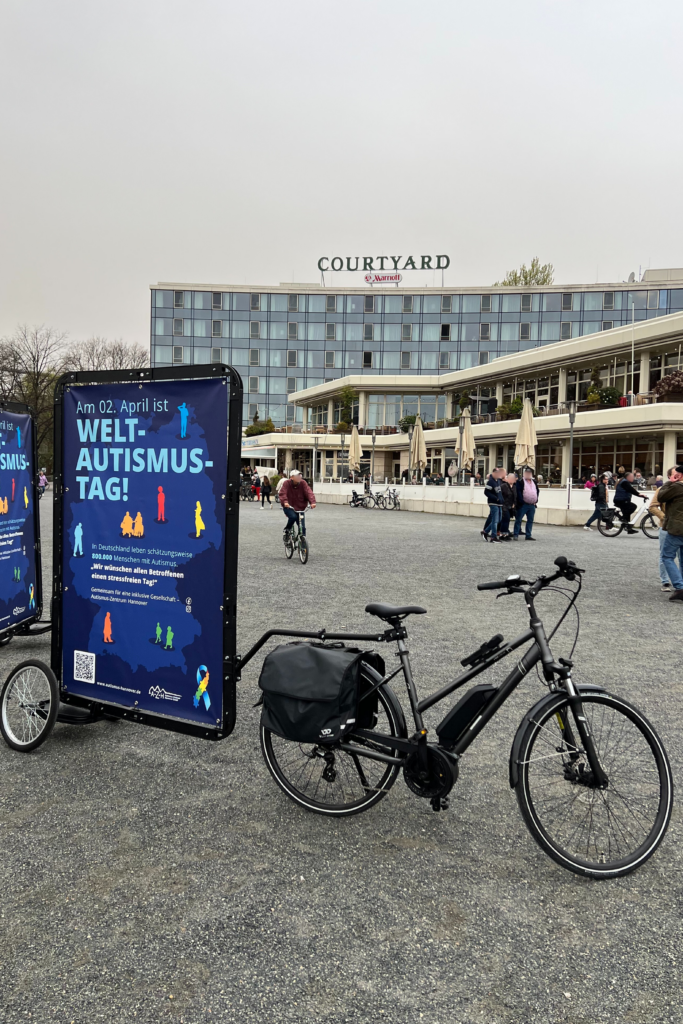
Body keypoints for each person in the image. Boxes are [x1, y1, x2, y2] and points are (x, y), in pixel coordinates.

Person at [650, 468, 683, 592]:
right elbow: (653, 506)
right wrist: (664, 517)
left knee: (667, 556)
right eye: (674, 473)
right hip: (667, 525)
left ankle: (680, 586)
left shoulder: (673, 487)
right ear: (670, 475)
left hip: (674, 526)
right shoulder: (664, 488)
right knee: (665, 555)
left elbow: (662, 497)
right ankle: (665, 582)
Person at [280, 468, 316, 536]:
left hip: (300, 508)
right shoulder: (286, 483)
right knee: (293, 517)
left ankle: (303, 544)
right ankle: (287, 529)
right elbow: (283, 493)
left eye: (300, 475)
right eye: (297, 476)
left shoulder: (303, 483)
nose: (299, 477)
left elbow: (308, 492)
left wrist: (312, 502)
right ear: (292, 477)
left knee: (302, 527)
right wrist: (285, 502)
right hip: (289, 506)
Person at [514, 467, 539, 541]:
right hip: (523, 504)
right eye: (527, 473)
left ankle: (528, 535)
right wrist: (521, 501)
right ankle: (516, 534)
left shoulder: (534, 481)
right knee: (518, 519)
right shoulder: (520, 481)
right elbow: (518, 492)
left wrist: (536, 499)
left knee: (530, 520)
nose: (528, 474)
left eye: (529, 473)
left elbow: (537, 490)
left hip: (532, 504)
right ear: (524, 474)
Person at [482, 467, 504, 543]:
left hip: (499, 503)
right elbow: (486, 492)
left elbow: (499, 492)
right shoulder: (490, 482)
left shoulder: (498, 481)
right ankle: (493, 537)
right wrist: (495, 498)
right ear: (493, 473)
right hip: (493, 503)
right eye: (497, 473)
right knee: (495, 520)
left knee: (499, 519)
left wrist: (501, 499)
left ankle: (485, 531)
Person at [499, 472, 517, 539]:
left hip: (511, 506)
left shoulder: (514, 487)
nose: (512, 479)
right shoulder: (503, 486)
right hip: (504, 506)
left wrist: (514, 504)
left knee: (508, 520)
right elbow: (500, 496)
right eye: (510, 478)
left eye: (513, 478)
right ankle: (502, 534)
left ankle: (505, 533)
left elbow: (515, 496)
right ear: (507, 478)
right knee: (505, 520)